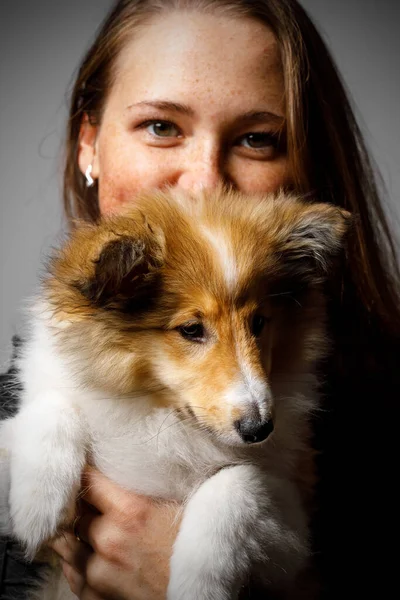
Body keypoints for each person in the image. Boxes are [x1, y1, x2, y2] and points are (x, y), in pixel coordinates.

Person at [0, 0, 399, 598]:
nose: (205, 180)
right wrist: (47, 428)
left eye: (258, 138)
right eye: (161, 126)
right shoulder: (45, 372)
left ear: (304, 160)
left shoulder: (378, 418)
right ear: (89, 144)